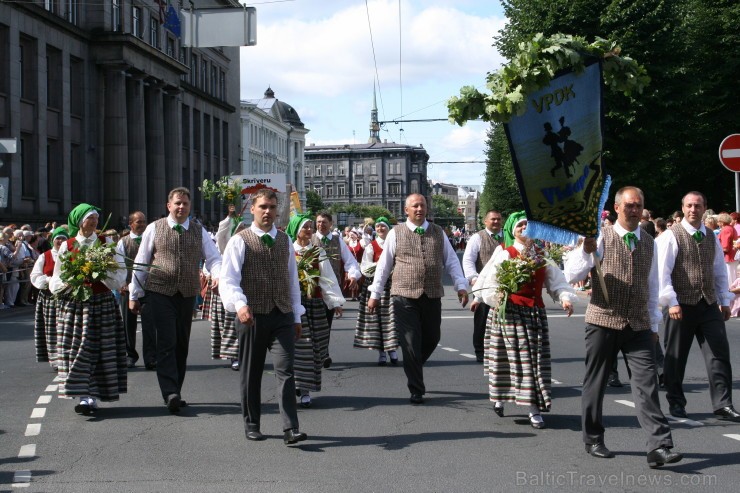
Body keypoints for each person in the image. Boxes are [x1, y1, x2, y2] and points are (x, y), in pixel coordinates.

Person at [565, 187, 682, 467]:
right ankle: (593, 437)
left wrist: (654, 323)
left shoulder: (649, 241)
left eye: (638, 205)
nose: (634, 210)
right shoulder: (601, 237)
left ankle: (659, 446)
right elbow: (571, 274)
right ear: (617, 208)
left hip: (639, 324)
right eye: (629, 205)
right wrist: (585, 250)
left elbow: (652, 285)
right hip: (603, 321)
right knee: (596, 381)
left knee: (647, 384)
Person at [471, 211, 575, 429]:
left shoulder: (541, 254)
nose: (524, 229)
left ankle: (533, 408)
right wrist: (491, 297)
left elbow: (556, 280)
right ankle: (501, 398)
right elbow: (488, 279)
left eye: (528, 225)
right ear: (512, 229)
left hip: (534, 313)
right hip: (508, 313)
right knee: (507, 359)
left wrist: (564, 298)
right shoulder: (505, 252)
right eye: (519, 226)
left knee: (532, 363)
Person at [219, 189, 307, 445]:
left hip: (282, 314)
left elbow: (293, 282)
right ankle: (252, 423)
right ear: (253, 210)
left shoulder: (284, 241)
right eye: (262, 207)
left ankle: (291, 428)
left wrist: (297, 315)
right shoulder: (240, 240)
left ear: (277, 210)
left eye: (271, 207)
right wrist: (240, 304)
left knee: (286, 370)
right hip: (252, 315)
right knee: (251, 371)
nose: (267, 212)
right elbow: (229, 279)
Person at [368, 193, 469, 404]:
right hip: (403, 295)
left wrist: (461, 286)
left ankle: (412, 364)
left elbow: (451, 262)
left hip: (431, 293)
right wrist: (375, 294)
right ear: (406, 210)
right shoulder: (396, 233)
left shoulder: (438, 232)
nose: (419, 209)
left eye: (422, 205)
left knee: (433, 337)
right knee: (411, 342)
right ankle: (416, 388)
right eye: (414, 206)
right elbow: (384, 266)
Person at [129, 187, 222, 413]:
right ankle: (169, 391)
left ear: (190, 207)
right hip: (160, 291)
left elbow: (214, 258)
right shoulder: (155, 228)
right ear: (168, 206)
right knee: (167, 342)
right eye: (177, 203)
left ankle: (176, 390)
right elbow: (141, 262)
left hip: (187, 293)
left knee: (181, 344)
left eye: (185, 204)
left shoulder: (199, 231)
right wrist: (134, 294)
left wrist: (217, 275)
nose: (181, 207)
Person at [656, 191, 740, 422]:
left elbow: (719, 270)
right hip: (680, 303)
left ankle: (723, 404)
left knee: (719, 354)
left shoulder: (711, 236)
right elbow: (662, 274)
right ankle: (676, 403)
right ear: (683, 208)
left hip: (708, 303)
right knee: (676, 355)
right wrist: (670, 301)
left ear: (705, 208)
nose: (694, 210)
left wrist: (724, 300)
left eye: (698, 205)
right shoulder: (670, 236)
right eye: (690, 206)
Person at [49, 204, 128, 415]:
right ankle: (84, 395)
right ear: (78, 222)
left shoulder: (106, 243)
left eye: (95, 219)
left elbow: (120, 274)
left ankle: (92, 395)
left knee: (100, 349)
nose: (93, 222)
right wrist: (71, 281)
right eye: (88, 219)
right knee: (78, 349)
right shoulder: (68, 246)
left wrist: (100, 273)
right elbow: (57, 277)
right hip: (76, 306)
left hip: (101, 303)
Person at [287, 213, 345, 408]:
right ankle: (303, 389)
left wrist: (335, 301)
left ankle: (304, 384)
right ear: (296, 231)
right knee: (302, 347)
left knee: (316, 349)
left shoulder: (317, 252)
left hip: (314, 305)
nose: (310, 230)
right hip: (295, 307)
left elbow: (327, 277)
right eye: (306, 227)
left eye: (311, 227)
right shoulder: (288, 251)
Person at [311, 212, 361, 368]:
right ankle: (315, 353)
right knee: (313, 323)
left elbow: (350, 261)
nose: (321, 224)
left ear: (331, 223)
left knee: (326, 322)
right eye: (318, 222)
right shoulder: (310, 239)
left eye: (324, 222)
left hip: (332, 289)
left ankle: (323, 353)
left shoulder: (337, 240)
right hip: (313, 290)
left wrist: (352, 275)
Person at [353, 217, 398, 366]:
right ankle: (381, 353)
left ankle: (392, 349)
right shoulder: (371, 246)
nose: (380, 229)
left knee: (390, 319)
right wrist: (379, 266)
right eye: (377, 227)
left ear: (388, 228)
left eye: (383, 226)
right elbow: (365, 266)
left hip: (391, 285)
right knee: (377, 320)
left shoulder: (395, 244)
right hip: (374, 285)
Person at [462, 209, 503, 362]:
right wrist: (473, 278)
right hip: (484, 286)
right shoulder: (477, 237)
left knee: (502, 320)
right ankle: (480, 350)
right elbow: (468, 260)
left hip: (504, 287)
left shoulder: (507, 237)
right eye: (493, 219)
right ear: (485, 221)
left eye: (498, 219)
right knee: (482, 319)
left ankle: (499, 350)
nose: (496, 222)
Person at [116, 211, 154, 369]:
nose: (142, 224)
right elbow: (119, 264)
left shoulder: (152, 240)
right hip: (128, 287)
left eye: (144, 221)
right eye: (139, 222)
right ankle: (130, 354)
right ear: (131, 224)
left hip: (149, 288)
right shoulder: (123, 242)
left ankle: (151, 357)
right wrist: (122, 283)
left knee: (150, 324)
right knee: (128, 324)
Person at [211, 203, 247, 370]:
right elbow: (221, 234)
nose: (242, 233)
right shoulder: (226, 246)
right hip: (229, 290)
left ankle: (245, 354)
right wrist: (230, 216)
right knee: (230, 324)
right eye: (239, 229)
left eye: (243, 229)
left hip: (244, 289)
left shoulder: (247, 245)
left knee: (244, 324)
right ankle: (233, 356)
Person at [30, 226, 69, 371]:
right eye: (58, 238)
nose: (60, 241)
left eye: (63, 238)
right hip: (49, 297)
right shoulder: (44, 256)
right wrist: (49, 280)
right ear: (53, 240)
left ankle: (68, 356)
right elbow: (35, 276)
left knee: (66, 328)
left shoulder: (71, 254)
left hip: (67, 296)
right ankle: (55, 359)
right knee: (52, 328)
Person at [716, 212, 737, 286]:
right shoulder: (731, 228)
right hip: (733, 255)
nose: (717, 223)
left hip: (728, 257)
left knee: (729, 279)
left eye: (718, 221)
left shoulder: (725, 230)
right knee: (733, 276)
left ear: (722, 222)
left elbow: (725, 247)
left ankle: (731, 295)